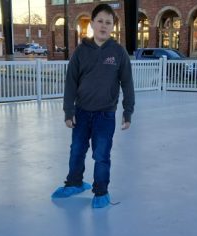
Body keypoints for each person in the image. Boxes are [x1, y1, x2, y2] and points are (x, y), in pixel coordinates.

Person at [51, 3, 135, 209]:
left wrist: (128, 111)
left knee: (101, 154)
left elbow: (127, 83)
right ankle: (74, 183)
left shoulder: (118, 52)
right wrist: (68, 111)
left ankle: (101, 191)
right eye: (100, 21)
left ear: (113, 26)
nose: (104, 26)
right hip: (81, 112)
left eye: (109, 22)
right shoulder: (81, 51)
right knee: (77, 149)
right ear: (92, 24)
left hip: (105, 115)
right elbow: (71, 83)